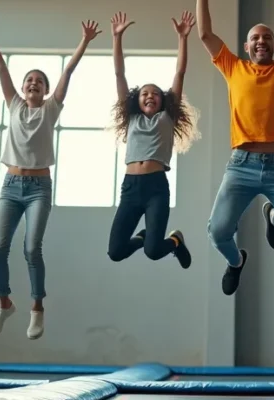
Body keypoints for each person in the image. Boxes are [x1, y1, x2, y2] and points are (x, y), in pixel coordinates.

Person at [0, 10, 100, 339]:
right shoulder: (13, 104)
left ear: (45, 91)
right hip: (10, 186)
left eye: (39, 82)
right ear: (22, 87)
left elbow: (69, 71)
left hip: (38, 188)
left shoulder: (51, 108)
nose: (33, 84)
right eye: (29, 80)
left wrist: (83, 41)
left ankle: (37, 308)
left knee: (32, 248)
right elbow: (0, 67)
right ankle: (4, 303)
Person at [196, 0, 274, 295]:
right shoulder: (233, 67)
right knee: (217, 231)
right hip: (241, 166)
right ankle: (236, 262)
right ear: (246, 46)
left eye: (266, 38)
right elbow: (205, 35)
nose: (260, 41)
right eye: (255, 38)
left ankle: (272, 216)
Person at [104, 11, 200, 268]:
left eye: (155, 93)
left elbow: (180, 73)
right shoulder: (132, 119)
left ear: (163, 100)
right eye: (145, 93)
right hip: (130, 188)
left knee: (154, 251)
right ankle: (144, 238)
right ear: (136, 100)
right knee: (115, 252)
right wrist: (117, 38)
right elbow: (119, 75)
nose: (149, 96)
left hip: (156, 188)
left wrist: (183, 38)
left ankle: (176, 242)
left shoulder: (166, 118)